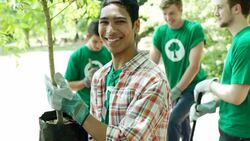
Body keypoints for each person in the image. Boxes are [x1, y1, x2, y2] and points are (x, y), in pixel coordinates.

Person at [45, 0, 171, 140]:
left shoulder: (153, 81)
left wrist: (78, 111)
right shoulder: (100, 76)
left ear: (136, 25)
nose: (110, 30)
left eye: (120, 21)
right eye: (104, 22)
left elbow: (126, 139)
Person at [190, 0, 250, 140]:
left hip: (239, 133)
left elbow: (236, 96)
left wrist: (210, 85)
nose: (215, 13)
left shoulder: (245, 43)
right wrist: (213, 104)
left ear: (236, 8)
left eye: (220, 7)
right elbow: (241, 90)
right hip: (234, 130)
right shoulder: (240, 39)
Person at [150, 0, 207, 141]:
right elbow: (151, 64)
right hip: (174, 87)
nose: (168, 18)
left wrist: (176, 90)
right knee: (183, 126)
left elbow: (194, 66)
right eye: (165, 14)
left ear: (180, 10)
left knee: (172, 120)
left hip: (193, 87)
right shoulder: (160, 32)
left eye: (172, 13)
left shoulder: (194, 29)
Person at [63, 20, 111, 140]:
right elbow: (68, 85)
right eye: (95, 41)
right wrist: (84, 82)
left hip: (105, 108)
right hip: (84, 109)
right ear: (88, 36)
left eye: (102, 41)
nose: (98, 45)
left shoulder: (108, 53)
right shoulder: (77, 56)